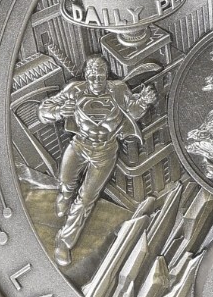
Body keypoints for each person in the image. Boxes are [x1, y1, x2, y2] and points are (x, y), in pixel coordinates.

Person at [38, 57, 155, 265]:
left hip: (105, 152)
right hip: (79, 146)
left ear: (106, 75)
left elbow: (132, 112)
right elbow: (43, 111)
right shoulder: (75, 90)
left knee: (85, 200)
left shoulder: (118, 89)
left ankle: (64, 242)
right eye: (92, 77)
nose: (96, 81)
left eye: (100, 76)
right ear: (86, 76)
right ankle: (64, 196)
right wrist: (58, 111)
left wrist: (144, 102)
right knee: (66, 184)